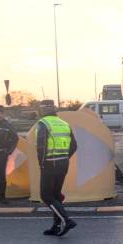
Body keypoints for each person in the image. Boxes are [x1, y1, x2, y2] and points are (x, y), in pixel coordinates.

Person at [35, 100, 77, 236]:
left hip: (49, 163)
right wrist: (64, 157)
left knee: (46, 195)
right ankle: (56, 225)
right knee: (56, 195)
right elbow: (74, 146)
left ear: (42, 110)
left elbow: (41, 146)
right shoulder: (64, 123)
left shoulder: (43, 124)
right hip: (63, 163)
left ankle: (66, 220)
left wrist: (41, 164)